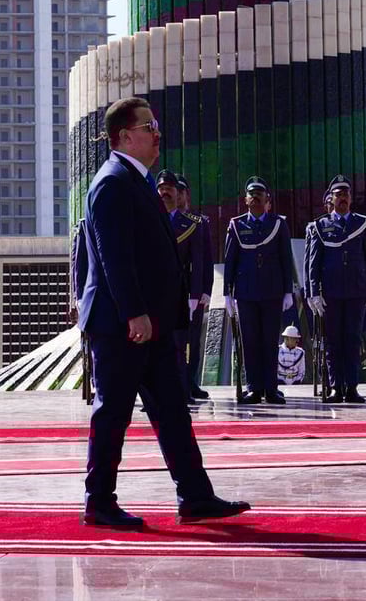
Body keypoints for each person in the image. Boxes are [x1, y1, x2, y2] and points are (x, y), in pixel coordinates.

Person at [79, 96, 251, 528]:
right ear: (124, 136)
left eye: (156, 125)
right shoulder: (112, 182)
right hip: (123, 326)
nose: (157, 133)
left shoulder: (138, 180)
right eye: (148, 126)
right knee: (112, 412)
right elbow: (113, 255)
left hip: (150, 326)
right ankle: (99, 502)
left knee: (173, 410)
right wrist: (135, 312)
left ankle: (195, 497)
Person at [306, 174, 366, 404]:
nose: (343, 198)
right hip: (331, 293)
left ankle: (352, 387)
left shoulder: (362, 223)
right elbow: (313, 262)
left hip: (357, 290)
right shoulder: (320, 226)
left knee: (353, 339)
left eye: (346, 194)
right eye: (338, 195)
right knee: (333, 341)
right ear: (331, 199)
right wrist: (312, 292)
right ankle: (336, 386)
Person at [224, 176, 294, 405]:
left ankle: (271, 389)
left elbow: (286, 258)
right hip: (245, 293)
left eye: (259, 195)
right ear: (245, 200)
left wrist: (287, 290)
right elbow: (230, 259)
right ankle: (253, 387)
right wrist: (227, 293)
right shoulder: (236, 224)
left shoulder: (278, 223)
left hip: (272, 291)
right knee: (250, 342)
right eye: (251, 195)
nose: (255, 198)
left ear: (267, 200)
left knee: (269, 341)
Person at [177, 174, 213, 401]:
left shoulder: (198, 222)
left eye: (181, 192)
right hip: (170, 291)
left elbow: (205, 260)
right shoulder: (161, 219)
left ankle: (191, 383)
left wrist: (205, 291)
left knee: (193, 340)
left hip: (193, 291)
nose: (178, 196)